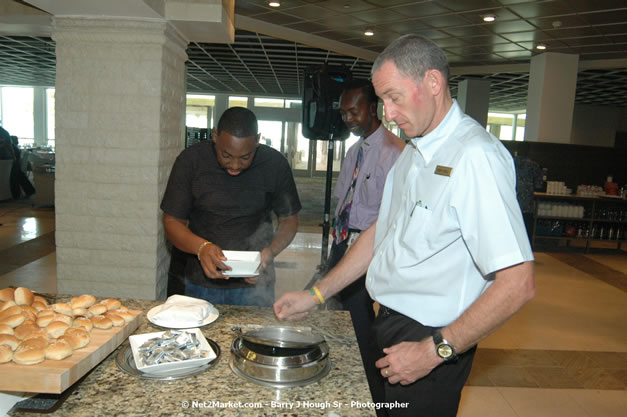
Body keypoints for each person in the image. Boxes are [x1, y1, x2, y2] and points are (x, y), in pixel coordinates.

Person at [274, 34, 535, 417]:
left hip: (432, 338)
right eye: (383, 101)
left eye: (394, 97)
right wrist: (316, 294)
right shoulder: (414, 152)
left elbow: (518, 283)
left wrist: (435, 351)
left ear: (433, 83)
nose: (389, 113)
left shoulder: (475, 156)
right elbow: (380, 233)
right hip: (390, 324)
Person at [161, 107, 301, 307]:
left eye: (245, 157)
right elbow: (172, 221)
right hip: (201, 284)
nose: (235, 165)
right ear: (215, 135)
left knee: (254, 338)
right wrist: (201, 248)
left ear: (258, 140)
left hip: (255, 286)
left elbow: (289, 219)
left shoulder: (274, 164)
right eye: (226, 155)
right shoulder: (191, 161)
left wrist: (269, 252)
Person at [327, 78, 405, 407]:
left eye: (354, 112)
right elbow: (344, 196)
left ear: (373, 109)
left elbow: (393, 215)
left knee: (361, 321)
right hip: (343, 242)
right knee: (336, 312)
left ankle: (373, 393)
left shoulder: (396, 154)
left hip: (369, 249)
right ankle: (344, 371)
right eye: (344, 113)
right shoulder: (354, 151)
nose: (348, 118)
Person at [513, 151, 543, 241]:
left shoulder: (510, 161)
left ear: (517, 151)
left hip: (512, 199)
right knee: (527, 227)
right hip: (527, 202)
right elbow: (539, 184)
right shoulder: (533, 165)